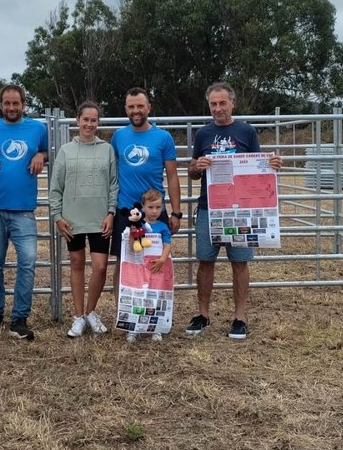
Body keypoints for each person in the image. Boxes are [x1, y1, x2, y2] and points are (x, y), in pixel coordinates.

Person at [185, 81, 282, 340]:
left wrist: (272, 164)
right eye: (213, 104)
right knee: (205, 262)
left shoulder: (247, 132)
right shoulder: (203, 134)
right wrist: (198, 167)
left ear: (232, 103)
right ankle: (203, 314)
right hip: (209, 208)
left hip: (241, 210)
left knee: (239, 262)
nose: (218, 108)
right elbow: (193, 171)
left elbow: (258, 168)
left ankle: (240, 317)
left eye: (222, 103)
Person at [0, 84, 48, 340]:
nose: (11, 107)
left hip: (24, 210)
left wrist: (41, 154)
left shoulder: (38, 128)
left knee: (27, 262)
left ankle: (20, 318)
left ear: (24, 104)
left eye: (16, 103)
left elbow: (48, 150)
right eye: (7, 103)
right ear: (1, 104)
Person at [47, 100, 117, 338]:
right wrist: (57, 217)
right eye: (85, 119)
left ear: (98, 122)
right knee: (76, 264)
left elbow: (113, 185)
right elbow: (55, 187)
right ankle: (78, 316)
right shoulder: (66, 151)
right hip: (73, 219)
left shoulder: (107, 149)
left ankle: (91, 311)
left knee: (100, 267)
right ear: (77, 121)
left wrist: (111, 212)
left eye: (93, 120)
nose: (89, 124)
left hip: (99, 219)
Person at [110, 87, 182, 286]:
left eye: (140, 106)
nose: (136, 111)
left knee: (155, 259)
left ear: (149, 108)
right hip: (126, 210)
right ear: (125, 109)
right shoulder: (118, 137)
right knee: (123, 262)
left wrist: (176, 213)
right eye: (131, 107)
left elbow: (173, 176)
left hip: (155, 211)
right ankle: (121, 313)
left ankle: (154, 310)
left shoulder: (163, 138)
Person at [124, 188, 173, 344]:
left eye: (158, 207)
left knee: (156, 295)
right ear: (143, 207)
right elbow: (132, 247)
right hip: (140, 267)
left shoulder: (163, 227)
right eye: (151, 207)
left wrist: (162, 260)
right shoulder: (138, 225)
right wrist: (132, 233)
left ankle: (156, 327)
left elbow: (167, 245)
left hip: (158, 267)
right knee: (139, 295)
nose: (154, 211)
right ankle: (134, 327)